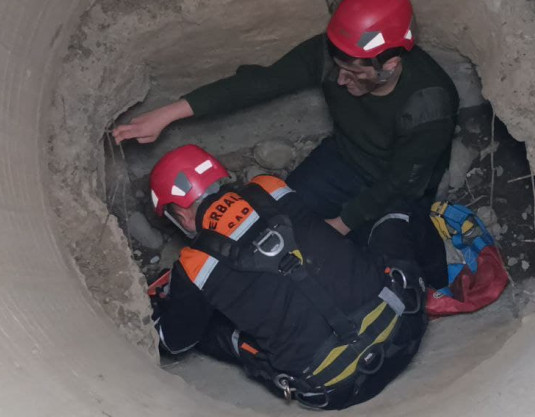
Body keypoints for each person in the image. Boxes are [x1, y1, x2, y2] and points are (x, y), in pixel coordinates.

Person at [113, 0, 459, 293]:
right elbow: (261, 83)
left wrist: (341, 224)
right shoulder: (330, 56)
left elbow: (402, 182)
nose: (341, 81)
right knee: (276, 222)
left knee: (382, 263)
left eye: (355, 73)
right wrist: (169, 113)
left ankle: (438, 286)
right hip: (345, 160)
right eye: (339, 68)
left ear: (390, 65)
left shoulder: (429, 103)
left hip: (398, 188)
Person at [149, 145, 439, 409]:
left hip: (336, 388)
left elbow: (176, 342)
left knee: (216, 326)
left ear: (182, 215)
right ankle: (442, 283)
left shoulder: (194, 266)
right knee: (395, 213)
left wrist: (162, 307)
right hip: (406, 327)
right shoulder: (269, 187)